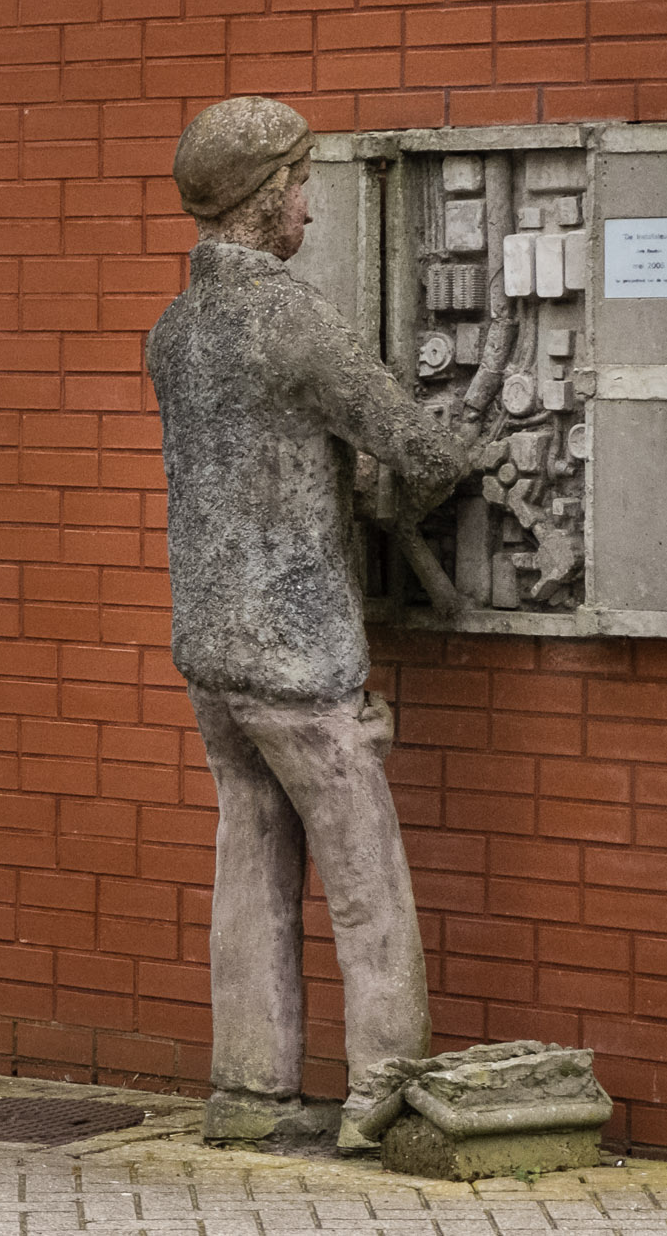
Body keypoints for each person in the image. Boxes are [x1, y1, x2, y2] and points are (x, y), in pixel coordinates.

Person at [144, 96, 469, 1149]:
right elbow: (415, 449)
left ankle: (246, 1089)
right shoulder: (287, 318)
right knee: (364, 872)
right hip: (299, 651)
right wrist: (449, 455)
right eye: (298, 187)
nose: (309, 212)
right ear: (261, 197)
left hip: (210, 642)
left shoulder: (175, 331)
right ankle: (384, 1091)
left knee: (248, 858)